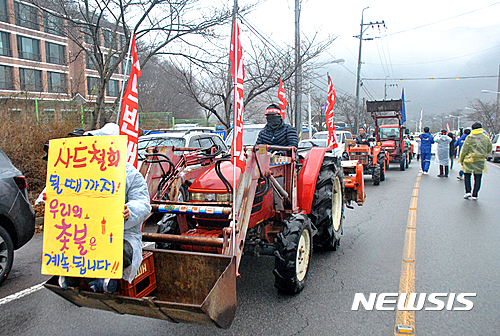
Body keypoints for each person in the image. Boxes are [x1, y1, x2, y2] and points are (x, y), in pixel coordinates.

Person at [60, 123, 151, 293]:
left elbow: (144, 203)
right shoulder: (82, 171)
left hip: (123, 234)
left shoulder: (130, 174)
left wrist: (129, 211)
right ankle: (71, 276)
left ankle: (106, 279)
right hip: (88, 231)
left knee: (120, 251)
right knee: (72, 242)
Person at [458, 122, 492, 200]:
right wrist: (484, 153)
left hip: (469, 159)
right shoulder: (485, 138)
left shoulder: (469, 137)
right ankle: (475, 194)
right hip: (480, 159)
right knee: (478, 177)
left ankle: (468, 192)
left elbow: (464, 149)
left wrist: (461, 159)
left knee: (467, 175)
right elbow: (489, 148)